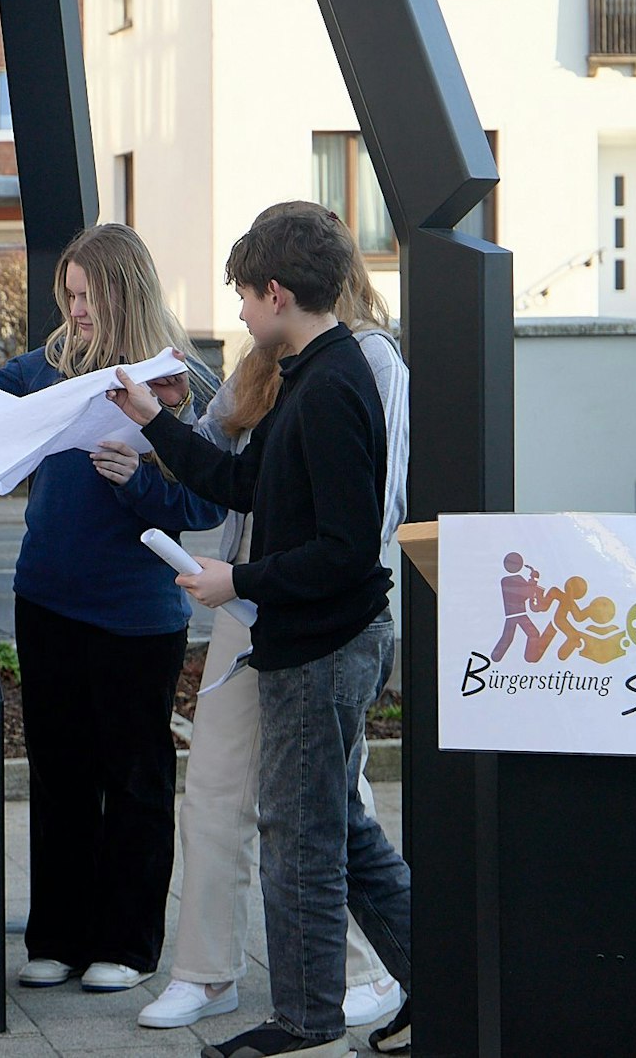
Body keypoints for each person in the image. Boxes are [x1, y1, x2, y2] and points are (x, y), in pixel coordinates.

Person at [108, 205, 413, 1058]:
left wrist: (234, 578)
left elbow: (349, 553)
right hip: (307, 639)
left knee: (302, 841)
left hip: (322, 648)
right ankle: (445, 981)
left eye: (244, 295)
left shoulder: (336, 384)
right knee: (339, 831)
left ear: (277, 293)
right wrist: (154, 420)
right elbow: (243, 483)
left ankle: (308, 1023)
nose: (238, 313)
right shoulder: (309, 371)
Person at [0, 223, 224, 994]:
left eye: (85, 296)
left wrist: (137, 478)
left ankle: (127, 944)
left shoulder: (178, 379)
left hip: (137, 615)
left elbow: (201, 499)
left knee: (133, 776)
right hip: (47, 600)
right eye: (67, 296)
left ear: (122, 290)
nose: (75, 310)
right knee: (59, 772)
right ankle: (58, 936)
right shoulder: (53, 365)